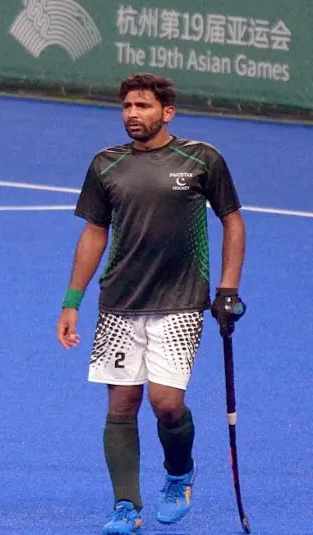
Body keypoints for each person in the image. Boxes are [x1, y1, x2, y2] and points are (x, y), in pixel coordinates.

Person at [55, 73, 247, 535]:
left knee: (165, 405)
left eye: (142, 106)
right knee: (121, 406)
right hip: (119, 303)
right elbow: (94, 234)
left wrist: (227, 289)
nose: (132, 115)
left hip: (181, 301)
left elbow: (233, 223)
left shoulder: (202, 159)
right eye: (126, 107)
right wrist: (71, 301)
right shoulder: (106, 164)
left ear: (167, 111)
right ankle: (126, 505)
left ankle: (179, 472)